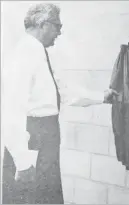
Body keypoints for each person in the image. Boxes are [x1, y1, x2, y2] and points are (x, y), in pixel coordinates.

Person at [1, 3, 118, 204]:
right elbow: (11, 111)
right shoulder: (23, 55)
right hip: (31, 141)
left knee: (48, 197)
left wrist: (102, 96)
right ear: (44, 24)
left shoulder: (40, 53)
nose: (60, 32)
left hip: (46, 137)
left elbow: (65, 92)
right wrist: (22, 161)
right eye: (57, 26)